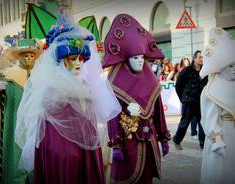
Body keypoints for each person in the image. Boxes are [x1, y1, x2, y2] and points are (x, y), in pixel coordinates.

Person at [15, 7, 121, 184]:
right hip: (61, 150)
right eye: (72, 58)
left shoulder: (88, 85)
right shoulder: (51, 88)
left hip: (86, 144)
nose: (78, 63)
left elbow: (95, 118)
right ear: (60, 60)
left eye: (81, 58)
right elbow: (48, 131)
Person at [103, 13, 170, 184]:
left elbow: (159, 112)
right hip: (129, 143)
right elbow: (113, 116)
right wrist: (116, 144)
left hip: (150, 142)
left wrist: (163, 137)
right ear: (126, 59)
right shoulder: (116, 82)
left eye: (142, 58)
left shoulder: (151, 80)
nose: (140, 61)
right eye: (135, 58)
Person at [0, 38, 42, 184]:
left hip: (35, 123)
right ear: (19, 57)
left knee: (34, 154)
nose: (29, 58)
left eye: (32, 55)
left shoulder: (40, 76)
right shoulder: (9, 76)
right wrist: (0, 90)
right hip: (15, 121)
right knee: (16, 153)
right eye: (25, 55)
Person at [200, 27, 235, 184]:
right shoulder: (209, 91)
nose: (234, 70)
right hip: (222, 136)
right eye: (230, 66)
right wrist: (216, 139)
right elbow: (209, 118)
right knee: (220, 173)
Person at [173, 50, 208, 150]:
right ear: (194, 58)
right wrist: (183, 98)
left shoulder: (205, 71)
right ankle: (177, 140)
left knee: (203, 124)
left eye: (203, 57)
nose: (202, 59)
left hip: (200, 102)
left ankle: (203, 145)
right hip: (188, 102)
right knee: (184, 123)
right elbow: (178, 85)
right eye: (200, 57)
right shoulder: (187, 70)